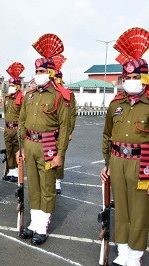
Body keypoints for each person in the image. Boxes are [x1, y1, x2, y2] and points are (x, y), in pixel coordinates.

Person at [101, 27, 149, 266]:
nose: (131, 81)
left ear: (145, 77)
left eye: (136, 77)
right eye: (127, 77)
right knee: (120, 208)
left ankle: (135, 255)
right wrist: (107, 163)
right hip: (118, 161)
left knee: (140, 211)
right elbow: (107, 134)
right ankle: (122, 253)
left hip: (143, 163)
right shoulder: (115, 104)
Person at [18, 33, 71, 245]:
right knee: (34, 186)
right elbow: (21, 123)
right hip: (29, 144)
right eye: (36, 71)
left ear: (50, 73)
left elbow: (65, 128)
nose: (39, 74)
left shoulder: (59, 96)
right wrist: (21, 148)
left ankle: (43, 225)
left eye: (42, 71)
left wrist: (60, 154)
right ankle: (34, 222)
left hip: (48, 144)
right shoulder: (29, 95)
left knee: (48, 186)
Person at [52, 55, 76, 194]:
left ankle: (57, 181)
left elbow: (72, 113)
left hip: (61, 130)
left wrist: (70, 131)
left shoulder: (67, 94)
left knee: (60, 154)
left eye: (56, 78)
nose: (54, 80)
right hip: (48, 131)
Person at [2, 62, 25, 182]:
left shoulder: (22, 99)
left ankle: (17, 171)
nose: (10, 86)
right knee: (8, 149)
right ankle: (10, 170)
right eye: (9, 84)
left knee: (17, 150)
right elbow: (5, 113)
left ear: (17, 86)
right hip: (7, 128)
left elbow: (24, 115)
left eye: (12, 85)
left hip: (17, 129)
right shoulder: (6, 98)